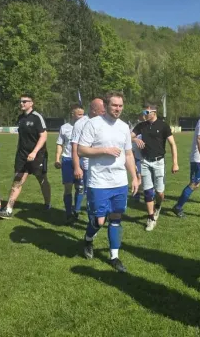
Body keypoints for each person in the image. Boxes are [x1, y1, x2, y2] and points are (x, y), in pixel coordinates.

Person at [77, 91, 139, 272]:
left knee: (116, 217)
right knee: (99, 221)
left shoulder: (124, 127)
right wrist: (104, 150)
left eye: (120, 106)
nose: (118, 109)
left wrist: (134, 177)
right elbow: (81, 150)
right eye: (114, 105)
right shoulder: (93, 124)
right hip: (99, 182)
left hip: (120, 181)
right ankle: (88, 239)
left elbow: (128, 154)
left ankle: (114, 257)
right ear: (106, 106)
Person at [0, 93, 51, 219]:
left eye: (25, 101)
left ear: (31, 103)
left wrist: (34, 152)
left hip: (38, 155)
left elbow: (43, 136)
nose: (22, 103)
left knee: (41, 179)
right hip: (22, 155)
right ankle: (8, 210)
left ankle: (47, 204)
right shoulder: (20, 118)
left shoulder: (37, 117)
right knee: (17, 180)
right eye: (20, 101)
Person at [131, 103, 179, 231]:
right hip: (145, 162)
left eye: (146, 112)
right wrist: (135, 140)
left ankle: (158, 206)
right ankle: (151, 218)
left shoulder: (163, 126)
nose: (144, 115)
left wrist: (175, 163)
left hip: (159, 162)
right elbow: (129, 136)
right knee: (147, 191)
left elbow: (172, 144)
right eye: (143, 112)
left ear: (154, 112)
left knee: (159, 192)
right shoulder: (141, 125)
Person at [70, 98, 106, 220]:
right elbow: (75, 147)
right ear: (94, 110)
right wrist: (77, 167)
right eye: (102, 110)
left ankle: (99, 215)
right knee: (84, 191)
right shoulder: (80, 124)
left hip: (102, 164)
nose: (105, 112)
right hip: (86, 165)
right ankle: (78, 212)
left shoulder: (104, 121)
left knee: (99, 192)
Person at [54, 104, 85, 224]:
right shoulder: (64, 127)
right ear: (72, 114)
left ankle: (76, 210)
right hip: (67, 160)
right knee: (68, 188)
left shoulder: (86, 126)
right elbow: (59, 144)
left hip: (81, 160)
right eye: (79, 114)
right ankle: (68, 214)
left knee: (80, 187)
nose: (82, 117)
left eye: (83, 114)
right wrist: (57, 159)